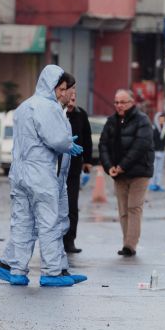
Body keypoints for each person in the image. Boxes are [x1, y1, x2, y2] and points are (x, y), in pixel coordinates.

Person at [0, 66, 86, 287]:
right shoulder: (47, 107)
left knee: (23, 223)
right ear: (52, 85)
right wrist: (68, 143)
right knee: (50, 223)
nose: (64, 93)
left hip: (20, 173)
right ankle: (53, 273)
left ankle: (16, 271)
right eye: (61, 88)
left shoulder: (25, 106)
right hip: (40, 173)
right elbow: (57, 140)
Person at [99, 89, 154, 257]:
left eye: (123, 102)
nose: (119, 105)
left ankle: (130, 245)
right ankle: (126, 243)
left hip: (139, 172)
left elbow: (141, 146)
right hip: (118, 174)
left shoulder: (142, 120)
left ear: (132, 103)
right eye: (116, 102)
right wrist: (109, 166)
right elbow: (103, 146)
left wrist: (122, 165)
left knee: (133, 208)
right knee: (123, 210)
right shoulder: (111, 121)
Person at [63, 86, 93, 254]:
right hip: (57, 168)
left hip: (74, 168)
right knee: (56, 207)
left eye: (75, 95)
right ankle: (55, 241)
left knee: (72, 206)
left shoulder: (81, 115)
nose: (72, 98)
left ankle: (70, 241)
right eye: (70, 95)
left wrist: (87, 161)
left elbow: (87, 138)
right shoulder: (58, 114)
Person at [150, 113, 165, 192]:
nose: (162, 120)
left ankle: (158, 184)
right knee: (153, 168)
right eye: (160, 119)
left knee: (159, 169)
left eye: (163, 119)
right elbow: (149, 139)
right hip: (153, 151)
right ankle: (152, 184)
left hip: (162, 151)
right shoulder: (153, 127)